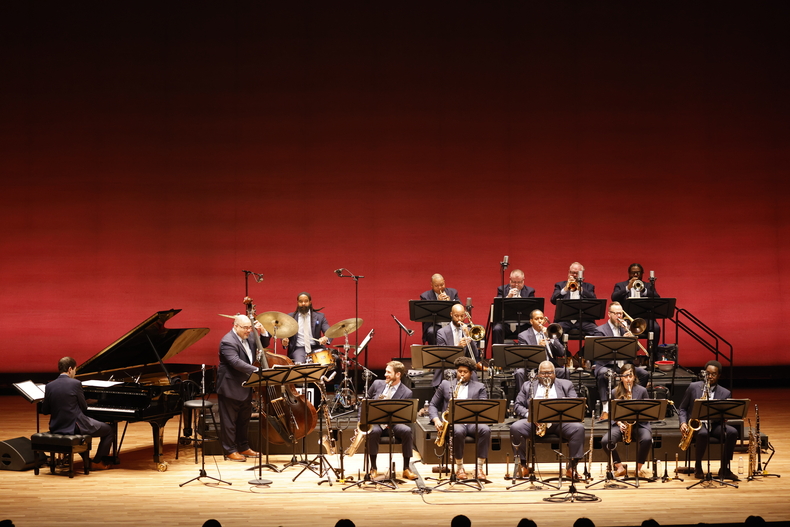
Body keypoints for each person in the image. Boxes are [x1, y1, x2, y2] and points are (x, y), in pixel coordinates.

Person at [509, 361, 585, 480]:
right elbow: (518, 405)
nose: (546, 375)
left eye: (549, 373)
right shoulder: (528, 385)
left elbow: (574, 403)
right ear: (538, 374)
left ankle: (572, 468)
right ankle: (522, 465)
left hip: (559, 422)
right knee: (516, 428)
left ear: (555, 373)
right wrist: (530, 415)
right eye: (543, 373)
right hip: (535, 423)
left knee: (578, 429)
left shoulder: (566, 384)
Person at [41, 356, 115, 470]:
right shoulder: (75, 383)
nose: (75, 373)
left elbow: (45, 410)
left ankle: (86, 460)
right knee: (109, 430)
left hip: (56, 426)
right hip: (74, 426)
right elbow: (84, 407)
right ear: (70, 369)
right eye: (75, 370)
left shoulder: (49, 386)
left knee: (85, 431)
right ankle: (97, 462)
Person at [216, 315, 270, 461]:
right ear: (236, 326)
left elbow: (263, 344)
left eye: (250, 327)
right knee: (229, 421)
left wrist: (263, 331)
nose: (248, 330)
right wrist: (257, 371)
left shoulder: (250, 336)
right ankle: (230, 450)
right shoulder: (227, 341)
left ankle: (243, 447)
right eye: (245, 328)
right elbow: (235, 362)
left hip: (246, 384)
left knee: (243, 419)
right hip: (230, 385)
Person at [429, 356, 490, 480]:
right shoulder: (445, 384)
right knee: (458, 431)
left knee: (485, 430)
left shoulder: (479, 386)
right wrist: (436, 419)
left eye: (465, 372)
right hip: (454, 422)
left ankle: (479, 468)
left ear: (471, 373)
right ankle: (459, 468)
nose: (462, 374)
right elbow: (433, 405)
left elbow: (484, 407)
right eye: (459, 371)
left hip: (472, 422)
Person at [678, 360, 739, 481]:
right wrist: (683, 423)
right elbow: (682, 408)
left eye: (713, 374)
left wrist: (725, 416)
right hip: (698, 425)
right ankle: (698, 466)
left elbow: (726, 413)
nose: (710, 376)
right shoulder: (693, 387)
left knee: (733, 432)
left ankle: (725, 468)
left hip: (715, 424)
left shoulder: (725, 393)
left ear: (719, 375)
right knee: (703, 433)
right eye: (708, 373)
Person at [592, 301, 649, 420]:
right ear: (609, 314)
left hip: (624, 365)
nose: (619, 316)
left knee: (644, 374)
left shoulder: (626, 328)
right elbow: (600, 352)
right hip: (607, 364)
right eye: (616, 313)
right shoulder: (600, 330)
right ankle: (606, 409)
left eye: (621, 313)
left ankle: (633, 400)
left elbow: (637, 349)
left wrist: (632, 339)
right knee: (603, 374)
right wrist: (622, 341)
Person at [362, 361, 418, 481]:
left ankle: (406, 468)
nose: (385, 374)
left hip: (394, 424)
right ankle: (373, 467)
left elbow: (405, 415)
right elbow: (364, 403)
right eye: (386, 371)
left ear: (398, 374)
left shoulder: (407, 392)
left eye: (388, 372)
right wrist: (360, 422)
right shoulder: (377, 384)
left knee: (407, 431)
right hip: (376, 422)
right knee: (374, 432)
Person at [601, 364, 652, 478]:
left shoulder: (642, 391)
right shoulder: (615, 392)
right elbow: (611, 414)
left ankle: (638, 469)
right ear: (621, 378)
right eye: (625, 376)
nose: (628, 379)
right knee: (606, 441)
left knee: (647, 439)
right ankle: (619, 467)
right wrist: (619, 423)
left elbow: (647, 411)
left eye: (630, 376)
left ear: (634, 377)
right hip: (621, 425)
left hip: (639, 425)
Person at [513, 309, 567, 395]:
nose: (540, 321)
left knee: (565, 371)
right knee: (520, 372)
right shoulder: (523, 336)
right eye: (536, 319)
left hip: (549, 367)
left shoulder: (550, 333)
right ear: (531, 321)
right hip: (532, 367)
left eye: (541, 318)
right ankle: (522, 398)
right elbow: (524, 354)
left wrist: (551, 338)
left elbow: (561, 352)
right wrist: (538, 346)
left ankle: (563, 397)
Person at [611, 263, 661, 355]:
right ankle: (626, 356)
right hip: (627, 318)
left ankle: (651, 355)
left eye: (638, 272)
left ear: (642, 273)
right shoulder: (620, 285)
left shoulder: (648, 285)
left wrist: (644, 290)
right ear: (628, 273)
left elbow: (657, 297)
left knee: (656, 328)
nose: (635, 275)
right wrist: (627, 288)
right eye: (633, 273)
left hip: (645, 318)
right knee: (621, 329)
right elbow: (614, 297)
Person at [434, 303, 481, 387]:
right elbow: (443, 355)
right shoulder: (442, 332)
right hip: (448, 365)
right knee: (450, 374)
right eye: (456, 316)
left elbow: (475, 355)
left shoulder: (468, 330)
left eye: (462, 316)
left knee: (472, 376)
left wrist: (468, 335)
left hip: (464, 365)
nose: (459, 319)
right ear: (451, 314)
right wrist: (458, 348)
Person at [550, 261, 598, 337]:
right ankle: (560, 345)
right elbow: (553, 300)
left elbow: (594, 300)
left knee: (598, 332)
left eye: (577, 273)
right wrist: (565, 289)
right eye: (572, 273)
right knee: (554, 333)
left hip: (583, 321)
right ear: (568, 273)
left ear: (582, 274)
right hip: (564, 320)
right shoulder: (560, 285)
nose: (575, 275)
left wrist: (580, 289)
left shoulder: (589, 287)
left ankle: (587, 346)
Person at [282, 292, 331, 364]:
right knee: (299, 364)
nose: (303, 303)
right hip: (299, 348)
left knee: (326, 363)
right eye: (300, 301)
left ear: (310, 302)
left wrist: (326, 338)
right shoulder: (290, 317)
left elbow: (329, 332)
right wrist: (284, 341)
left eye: (306, 301)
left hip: (316, 347)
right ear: (297, 302)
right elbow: (284, 333)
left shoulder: (320, 317)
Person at [491, 269, 536, 344]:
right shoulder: (502, 289)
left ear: (523, 280)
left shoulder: (530, 291)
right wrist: (507, 298)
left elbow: (532, 311)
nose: (516, 285)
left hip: (523, 324)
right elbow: (498, 307)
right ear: (510, 280)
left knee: (533, 329)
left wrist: (522, 301)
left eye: (519, 282)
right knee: (497, 329)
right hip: (506, 324)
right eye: (514, 282)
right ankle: (497, 351)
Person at [420, 273, 460, 345]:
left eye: (442, 285)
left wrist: (451, 303)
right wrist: (437, 302)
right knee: (431, 332)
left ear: (444, 282)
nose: (440, 288)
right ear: (431, 285)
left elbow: (460, 308)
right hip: (435, 324)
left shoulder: (453, 292)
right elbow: (424, 314)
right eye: (436, 286)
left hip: (451, 323)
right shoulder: (425, 296)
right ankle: (434, 350)